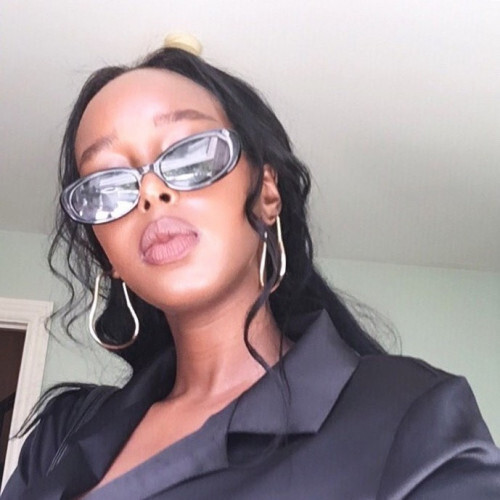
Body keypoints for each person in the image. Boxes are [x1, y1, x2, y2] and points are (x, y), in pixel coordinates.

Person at [2, 46, 499, 500]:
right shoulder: (61, 435)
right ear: (108, 254)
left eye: (190, 152)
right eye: (107, 183)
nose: (150, 193)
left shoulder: (410, 416)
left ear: (266, 193)